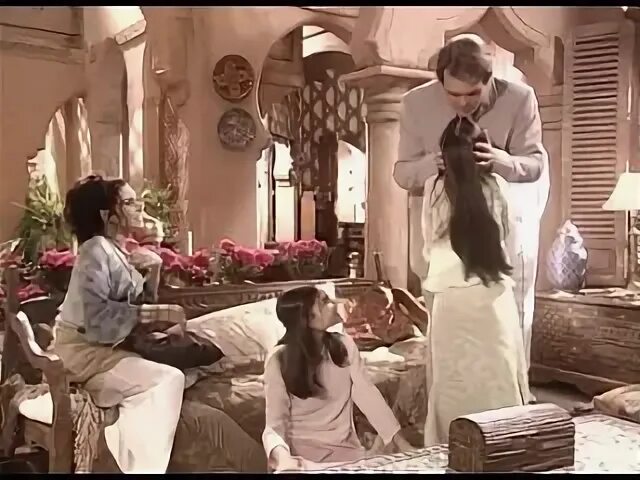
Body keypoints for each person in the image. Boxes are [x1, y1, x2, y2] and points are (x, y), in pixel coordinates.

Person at [394, 35, 549, 368]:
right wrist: (429, 165)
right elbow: (402, 173)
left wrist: (503, 161)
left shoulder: (519, 99)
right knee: (447, 323)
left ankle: (512, 388)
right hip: (441, 235)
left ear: (488, 79)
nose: (463, 103)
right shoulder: (415, 104)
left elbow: (535, 164)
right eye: (453, 94)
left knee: (506, 319)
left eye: (473, 93)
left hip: (500, 233)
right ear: (440, 81)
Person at [53, 175, 188, 473]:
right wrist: (162, 314)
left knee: (183, 371)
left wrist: (154, 270)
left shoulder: (116, 250)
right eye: (129, 202)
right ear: (107, 215)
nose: (139, 208)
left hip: (105, 350)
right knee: (168, 379)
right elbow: (98, 320)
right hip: (84, 354)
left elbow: (136, 307)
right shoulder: (95, 250)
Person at [420, 116, 532, 446]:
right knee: (498, 381)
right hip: (492, 294)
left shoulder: (434, 189)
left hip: (449, 297)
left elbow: (428, 244)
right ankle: (505, 448)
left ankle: (451, 448)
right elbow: (509, 238)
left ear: (445, 155)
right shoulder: (497, 186)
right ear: (483, 151)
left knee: (452, 384)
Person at [262, 286, 412, 472]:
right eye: (325, 301)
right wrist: (283, 460)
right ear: (309, 318)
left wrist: (401, 443)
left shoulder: (343, 345)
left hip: (348, 455)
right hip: (302, 459)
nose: (335, 303)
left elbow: (368, 395)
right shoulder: (279, 359)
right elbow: (275, 423)